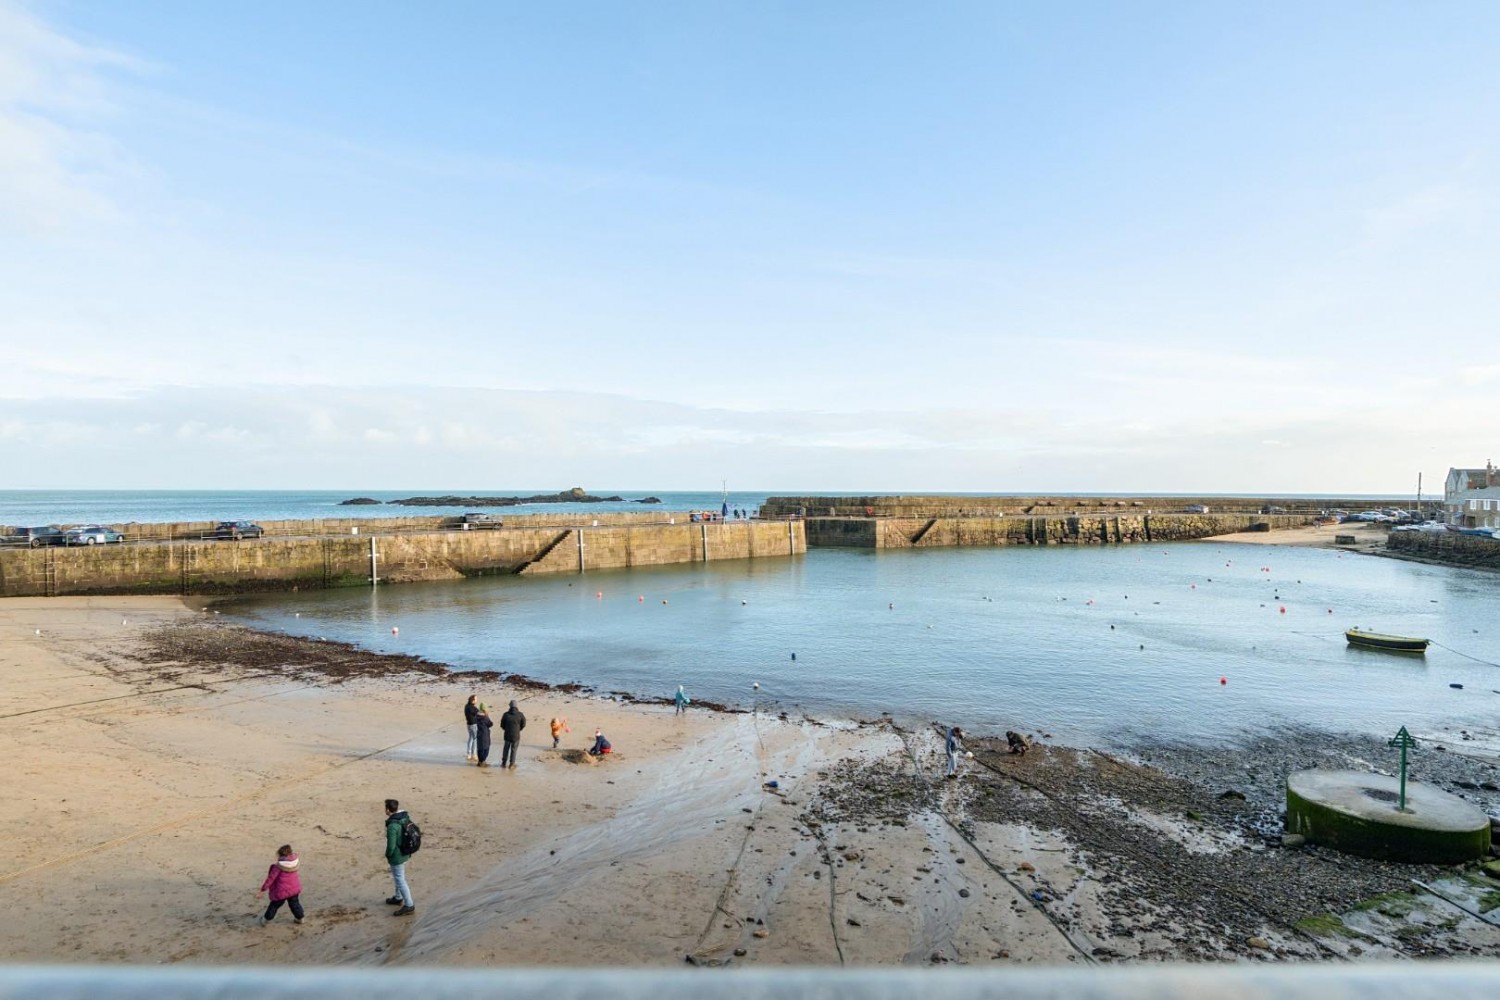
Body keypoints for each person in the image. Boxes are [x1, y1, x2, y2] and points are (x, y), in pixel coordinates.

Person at [256, 844, 304, 926]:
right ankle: (300, 918)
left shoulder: (277, 867)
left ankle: (265, 920)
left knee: (274, 906)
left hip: (281, 891)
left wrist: (263, 889)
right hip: (294, 889)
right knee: (295, 904)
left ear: (280, 855)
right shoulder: (295, 862)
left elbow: (270, 879)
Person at [383, 799, 415, 916]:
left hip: (397, 856)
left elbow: (391, 846)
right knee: (399, 877)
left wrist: (387, 855)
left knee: (400, 879)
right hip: (406, 852)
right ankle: (398, 897)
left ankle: (409, 905)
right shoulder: (404, 817)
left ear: (387, 810)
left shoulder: (392, 825)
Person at [499, 699, 526, 770]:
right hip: (516, 735)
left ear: (510, 706)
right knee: (514, 750)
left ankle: (504, 763)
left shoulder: (505, 714)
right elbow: (524, 724)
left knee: (506, 749)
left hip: (507, 734)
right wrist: (519, 729)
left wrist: (506, 729)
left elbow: (502, 725)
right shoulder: (520, 714)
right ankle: (512, 764)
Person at [474, 703, 494, 767]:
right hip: (484, 734)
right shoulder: (485, 717)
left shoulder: (477, 715)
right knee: (486, 749)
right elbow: (490, 724)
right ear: (484, 709)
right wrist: (487, 716)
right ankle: (482, 761)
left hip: (479, 733)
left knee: (480, 748)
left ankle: (480, 761)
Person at [464, 694, 480, 761]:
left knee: (471, 738)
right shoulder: (472, 707)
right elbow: (479, 712)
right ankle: (474, 754)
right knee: (475, 739)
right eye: (476, 700)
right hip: (473, 725)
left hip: (468, 724)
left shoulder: (466, 706)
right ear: (472, 700)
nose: (476, 701)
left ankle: (469, 754)